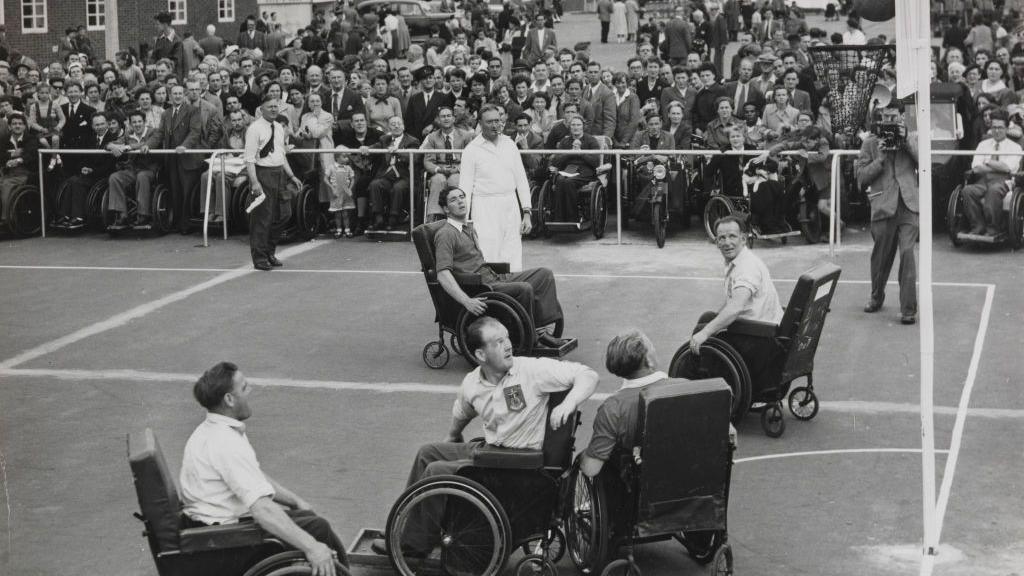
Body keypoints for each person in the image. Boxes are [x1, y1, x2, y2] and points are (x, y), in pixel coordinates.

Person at [370, 314, 597, 557]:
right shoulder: (472, 383)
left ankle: (413, 545)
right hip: (492, 451)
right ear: (480, 355)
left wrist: (568, 404)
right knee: (428, 452)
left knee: (436, 471)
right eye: (498, 342)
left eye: (507, 338)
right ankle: (411, 529)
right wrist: (452, 435)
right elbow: (462, 411)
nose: (508, 345)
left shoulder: (531, 370)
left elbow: (588, 375)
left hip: (516, 463)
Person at [180, 362, 347, 576]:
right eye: (244, 388)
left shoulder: (214, 430)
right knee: (317, 531)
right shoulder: (225, 443)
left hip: (212, 532)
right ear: (229, 400)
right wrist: (312, 548)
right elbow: (263, 511)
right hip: (221, 545)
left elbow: (255, 478)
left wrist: (295, 501)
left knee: (312, 522)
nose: (250, 392)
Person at [580, 330, 735, 479]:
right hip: (693, 487)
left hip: (642, 490)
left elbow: (591, 469)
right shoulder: (687, 388)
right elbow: (730, 434)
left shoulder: (613, 408)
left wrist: (583, 457)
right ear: (649, 360)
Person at [689, 215, 783, 383]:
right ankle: (699, 375)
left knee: (704, 332)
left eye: (732, 236)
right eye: (722, 238)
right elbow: (731, 303)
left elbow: (735, 308)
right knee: (708, 318)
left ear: (743, 238)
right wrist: (713, 322)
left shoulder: (746, 267)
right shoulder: (740, 260)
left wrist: (705, 333)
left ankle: (704, 383)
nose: (727, 242)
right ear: (716, 242)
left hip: (761, 338)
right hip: (761, 328)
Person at [854, 102, 919, 325]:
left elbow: (927, 164)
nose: (890, 122)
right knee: (881, 258)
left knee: (908, 254)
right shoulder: (870, 143)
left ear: (902, 116)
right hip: (883, 205)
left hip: (908, 205)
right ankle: (876, 296)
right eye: (885, 117)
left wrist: (907, 141)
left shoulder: (911, 137)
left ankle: (908, 309)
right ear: (879, 118)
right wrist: (880, 159)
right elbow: (861, 178)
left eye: (894, 117)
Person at [459, 104, 533, 272]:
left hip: (510, 205)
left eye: (497, 121)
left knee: (513, 252)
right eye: (489, 122)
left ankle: (513, 291)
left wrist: (527, 212)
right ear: (480, 124)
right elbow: (465, 187)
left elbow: (521, 180)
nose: (495, 125)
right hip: (484, 207)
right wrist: (463, 219)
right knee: (488, 252)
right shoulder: (471, 150)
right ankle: (492, 292)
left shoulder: (510, 144)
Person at [244, 95, 304, 271]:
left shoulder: (278, 127)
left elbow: (281, 154)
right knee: (262, 218)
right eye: (269, 107)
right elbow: (249, 159)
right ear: (261, 109)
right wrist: (255, 182)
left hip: (279, 175)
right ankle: (260, 257)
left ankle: (270, 250)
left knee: (284, 214)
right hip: (263, 175)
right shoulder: (254, 129)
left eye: (276, 106)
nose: (273, 109)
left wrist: (292, 176)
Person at [55, 112, 118, 230]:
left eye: (102, 124)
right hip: (89, 174)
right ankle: (65, 215)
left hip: (104, 174)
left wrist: (92, 171)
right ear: (93, 126)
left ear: (107, 124)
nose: (100, 127)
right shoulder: (89, 139)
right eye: (97, 125)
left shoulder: (114, 139)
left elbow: (111, 163)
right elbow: (83, 158)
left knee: (76, 182)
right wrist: (83, 167)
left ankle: (78, 217)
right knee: (72, 180)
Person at [962, 109, 1020, 236]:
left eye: (1000, 127)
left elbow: (1008, 168)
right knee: (967, 191)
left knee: (993, 191)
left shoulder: (1015, 147)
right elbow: (976, 167)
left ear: (1006, 128)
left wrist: (987, 162)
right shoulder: (983, 145)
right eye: (994, 127)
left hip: (1004, 181)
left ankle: (994, 228)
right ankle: (978, 226)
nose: (997, 131)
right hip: (983, 180)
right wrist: (996, 166)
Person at [106, 111, 160, 230]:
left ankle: (143, 215)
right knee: (115, 177)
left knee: (142, 176)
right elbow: (110, 143)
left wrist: (129, 147)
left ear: (145, 122)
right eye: (134, 122)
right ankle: (122, 214)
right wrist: (112, 147)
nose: (137, 124)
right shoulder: (128, 135)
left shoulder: (153, 132)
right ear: (130, 124)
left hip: (149, 170)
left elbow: (149, 143)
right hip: (132, 170)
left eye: (139, 121)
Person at [367, 115, 420, 230]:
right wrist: (365, 148)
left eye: (398, 123)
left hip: (404, 176)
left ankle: (393, 218)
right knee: (375, 184)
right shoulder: (384, 139)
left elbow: (415, 158)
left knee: (398, 188)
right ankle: (378, 217)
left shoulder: (412, 141)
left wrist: (398, 152)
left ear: (403, 126)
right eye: (393, 124)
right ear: (388, 127)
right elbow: (375, 147)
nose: (396, 126)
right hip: (387, 175)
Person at [422, 106, 474, 222]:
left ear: (453, 119)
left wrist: (458, 169)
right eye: (443, 116)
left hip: (458, 169)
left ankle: (457, 217)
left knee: (455, 180)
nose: (446, 119)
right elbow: (428, 161)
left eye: (448, 116)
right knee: (438, 180)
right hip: (441, 169)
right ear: (438, 120)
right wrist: (439, 169)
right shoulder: (432, 137)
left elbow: (471, 158)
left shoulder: (465, 136)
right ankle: (435, 217)